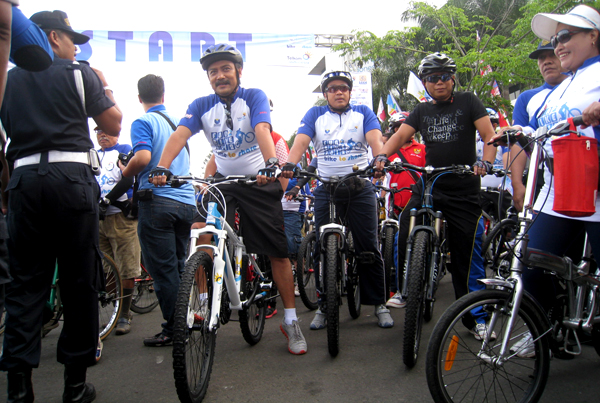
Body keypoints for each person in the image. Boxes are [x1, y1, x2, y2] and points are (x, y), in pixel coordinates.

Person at [148, 44, 307, 355]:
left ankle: (291, 320)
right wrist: (162, 166)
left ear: (238, 72)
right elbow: (180, 134)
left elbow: (261, 128)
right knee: (201, 233)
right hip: (223, 181)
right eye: (213, 72)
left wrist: (270, 164)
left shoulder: (254, 96)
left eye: (225, 69)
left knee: (277, 251)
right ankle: (205, 302)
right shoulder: (201, 105)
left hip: (258, 180)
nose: (219, 75)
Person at [0, 9, 122, 403]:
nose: (74, 47)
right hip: (71, 179)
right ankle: (74, 385)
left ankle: (19, 390)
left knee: (24, 284)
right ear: (53, 37)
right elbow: (113, 124)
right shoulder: (77, 73)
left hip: (23, 179)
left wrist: (9, 189)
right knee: (78, 282)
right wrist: (102, 85)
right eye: (71, 39)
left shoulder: (7, 77)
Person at [496, 4, 600, 358]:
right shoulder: (559, 88)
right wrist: (516, 133)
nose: (558, 46)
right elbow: (540, 132)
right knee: (530, 259)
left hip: (597, 190)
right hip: (559, 188)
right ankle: (544, 328)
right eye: (555, 39)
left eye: (566, 36)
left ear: (593, 36)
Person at [376, 53, 497, 340]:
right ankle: (406, 288)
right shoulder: (420, 111)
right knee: (405, 224)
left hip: (465, 188)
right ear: (425, 84)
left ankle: (476, 317)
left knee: (467, 252)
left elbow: (490, 136)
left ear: (453, 79)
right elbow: (400, 137)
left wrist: (486, 162)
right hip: (431, 185)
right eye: (432, 78)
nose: (439, 82)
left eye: (444, 76)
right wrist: (382, 154)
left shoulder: (469, 101)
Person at [283, 70, 394, 330]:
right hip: (327, 189)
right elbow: (301, 142)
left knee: (368, 246)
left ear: (350, 91)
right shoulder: (315, 115)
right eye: (332, 88)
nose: (339, 92)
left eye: (343, 87)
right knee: (323, 248)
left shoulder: (363, 113)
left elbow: (375, 140)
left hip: (360, 188)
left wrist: (379, 159)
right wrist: (290, 163)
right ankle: (324, 304)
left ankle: (379, 304)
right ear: (325, 94)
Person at [120, 74, 196, 348]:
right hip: (186, 202)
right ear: (163, 95)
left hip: (158, 201)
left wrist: (124, 172)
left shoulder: (143, 121)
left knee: (163, 272)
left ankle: (175, 329)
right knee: (177, 266)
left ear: (139, 98)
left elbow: (141, 158)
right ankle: (185, 319)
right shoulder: (178, 124)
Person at [509, 40, 568, 211]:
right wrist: (517, 183)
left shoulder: (584, 88)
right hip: (542, 176)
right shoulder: (527, 98)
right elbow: (519, 142)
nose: (547, 61)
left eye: (552, 55)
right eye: (541, 58)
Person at [96, 127, 141, 336]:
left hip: (120, 217)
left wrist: (108, 200)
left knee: (126, 268)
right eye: (97, 131)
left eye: (105, 131)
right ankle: (115, 310)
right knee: (107, 268)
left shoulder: (123, 150)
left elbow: (128, 179)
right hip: (99, 219)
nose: (101, 135)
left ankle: (124, 314)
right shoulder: (94, 155)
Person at [383, 112, 427, 309]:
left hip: (420, 203)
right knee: (397, 244)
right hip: (396, 206)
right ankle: (400, 287)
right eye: (398, 126)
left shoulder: (423, 149)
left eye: (405, 125)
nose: (402, 129)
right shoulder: (389, 151)